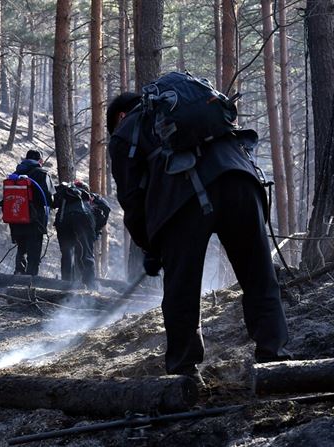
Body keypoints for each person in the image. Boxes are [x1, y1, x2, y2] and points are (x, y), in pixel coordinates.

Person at [107, 92, 291, 384]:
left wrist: (149, 246)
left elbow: (132, 199)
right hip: (242, 181)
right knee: (259, 277)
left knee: (182, 287)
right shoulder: (193, 107)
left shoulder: (126, 131)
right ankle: (276, 360)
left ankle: (184, 371)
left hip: (186, 198)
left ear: (119, 117)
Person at [53, 180, 109, 288]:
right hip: (84, 218)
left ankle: (65, 284)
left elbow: (52, 203)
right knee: (86, 253)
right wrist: (97, 227)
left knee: (67, 253)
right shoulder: (91, 196)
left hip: (63, 219)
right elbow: (106, 208)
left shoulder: (65, 195)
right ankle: (90, 286)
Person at [7, 150, 55, 276]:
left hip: (16, 220)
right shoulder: (42, 174)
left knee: (21, 249)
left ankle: (18, 275)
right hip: (35, 221)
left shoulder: (15, 174)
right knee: (34, 254)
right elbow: (49, 198)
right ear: (40, 161)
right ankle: (30, 283)